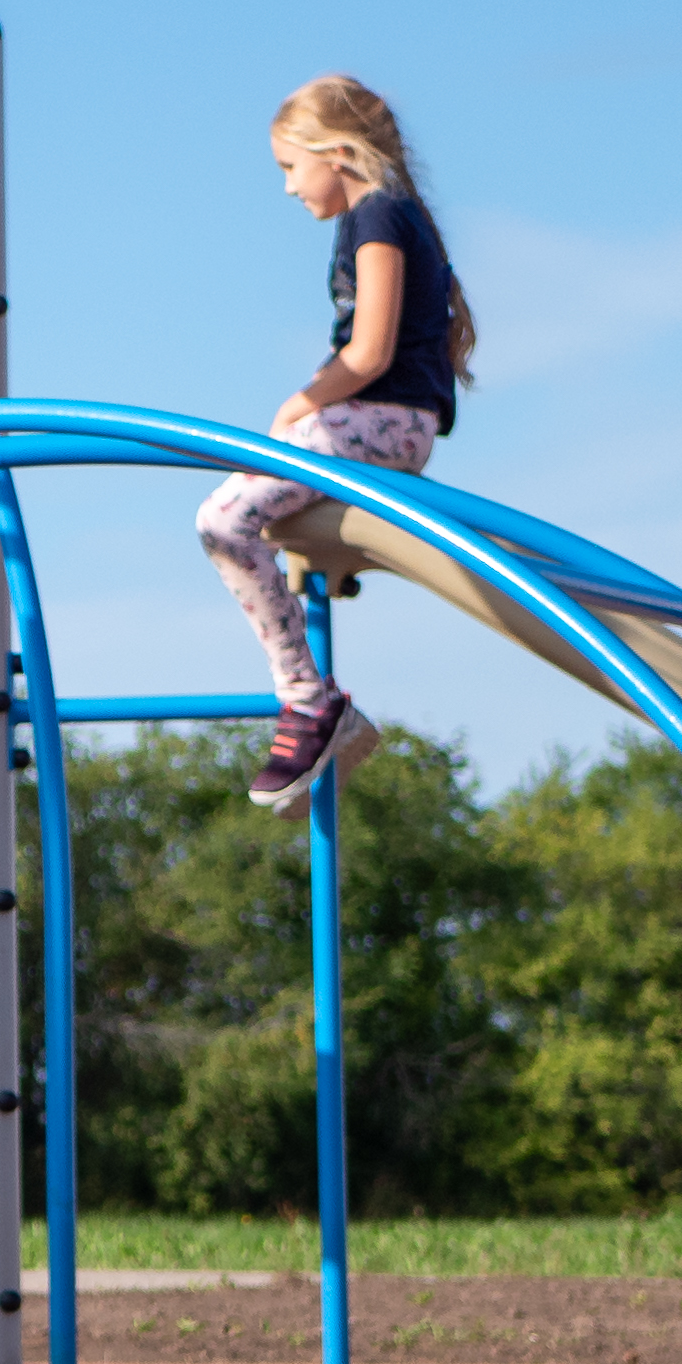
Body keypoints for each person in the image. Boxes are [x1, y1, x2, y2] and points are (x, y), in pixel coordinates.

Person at [195, 74, 472, 813]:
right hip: (389, 424)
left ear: (337, 152)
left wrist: (298, 403)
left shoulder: (377, 215)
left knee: (222, 520)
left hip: (380, 419)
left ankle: (308, 700)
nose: (287, 188)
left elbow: (370, 352)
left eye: (290, 166)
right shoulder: (390, 215)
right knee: (258, 500)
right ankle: (314, 675)